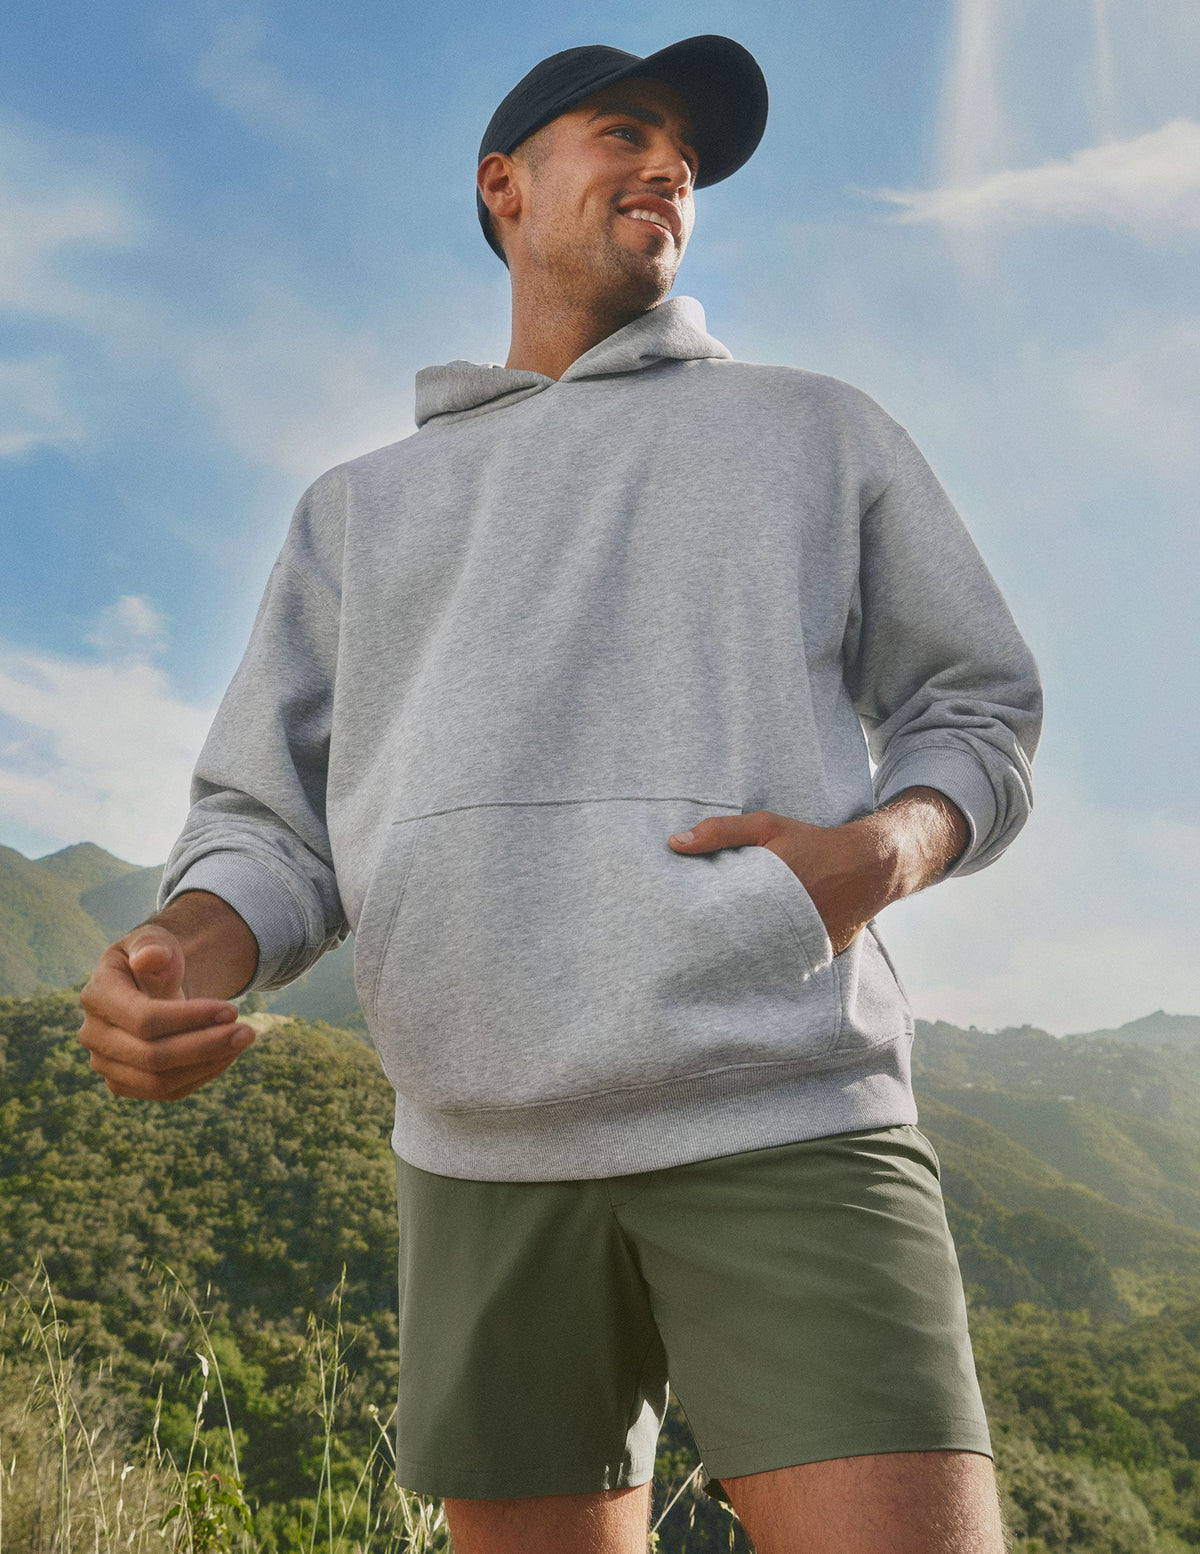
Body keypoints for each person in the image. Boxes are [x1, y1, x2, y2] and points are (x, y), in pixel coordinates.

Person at [79, 34, 1041, 1554]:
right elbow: (271, 830)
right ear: (503, 185)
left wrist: (876, 854)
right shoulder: (357, 510)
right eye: (626, 132)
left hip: (783, 1110)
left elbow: (977, 709)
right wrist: (179, 959)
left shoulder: (817, 429)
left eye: (689, 156)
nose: (672, 166)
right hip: (477, 1153)